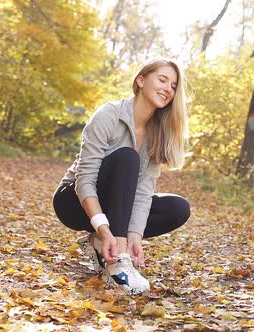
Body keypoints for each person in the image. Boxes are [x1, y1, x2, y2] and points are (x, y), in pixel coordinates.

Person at [53, 58, 191, 295]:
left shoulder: (158, 134)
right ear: (140, 81)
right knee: (127, 157)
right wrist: (106, 231)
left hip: (116, 206)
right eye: (162, 79)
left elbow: (143, 192)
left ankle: (103, 246)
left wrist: (135, 236)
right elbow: (85, 180)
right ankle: (117, 266)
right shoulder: (109, 115)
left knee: (178, 208)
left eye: (174, 85)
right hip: (74, 200)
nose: (168, 89)